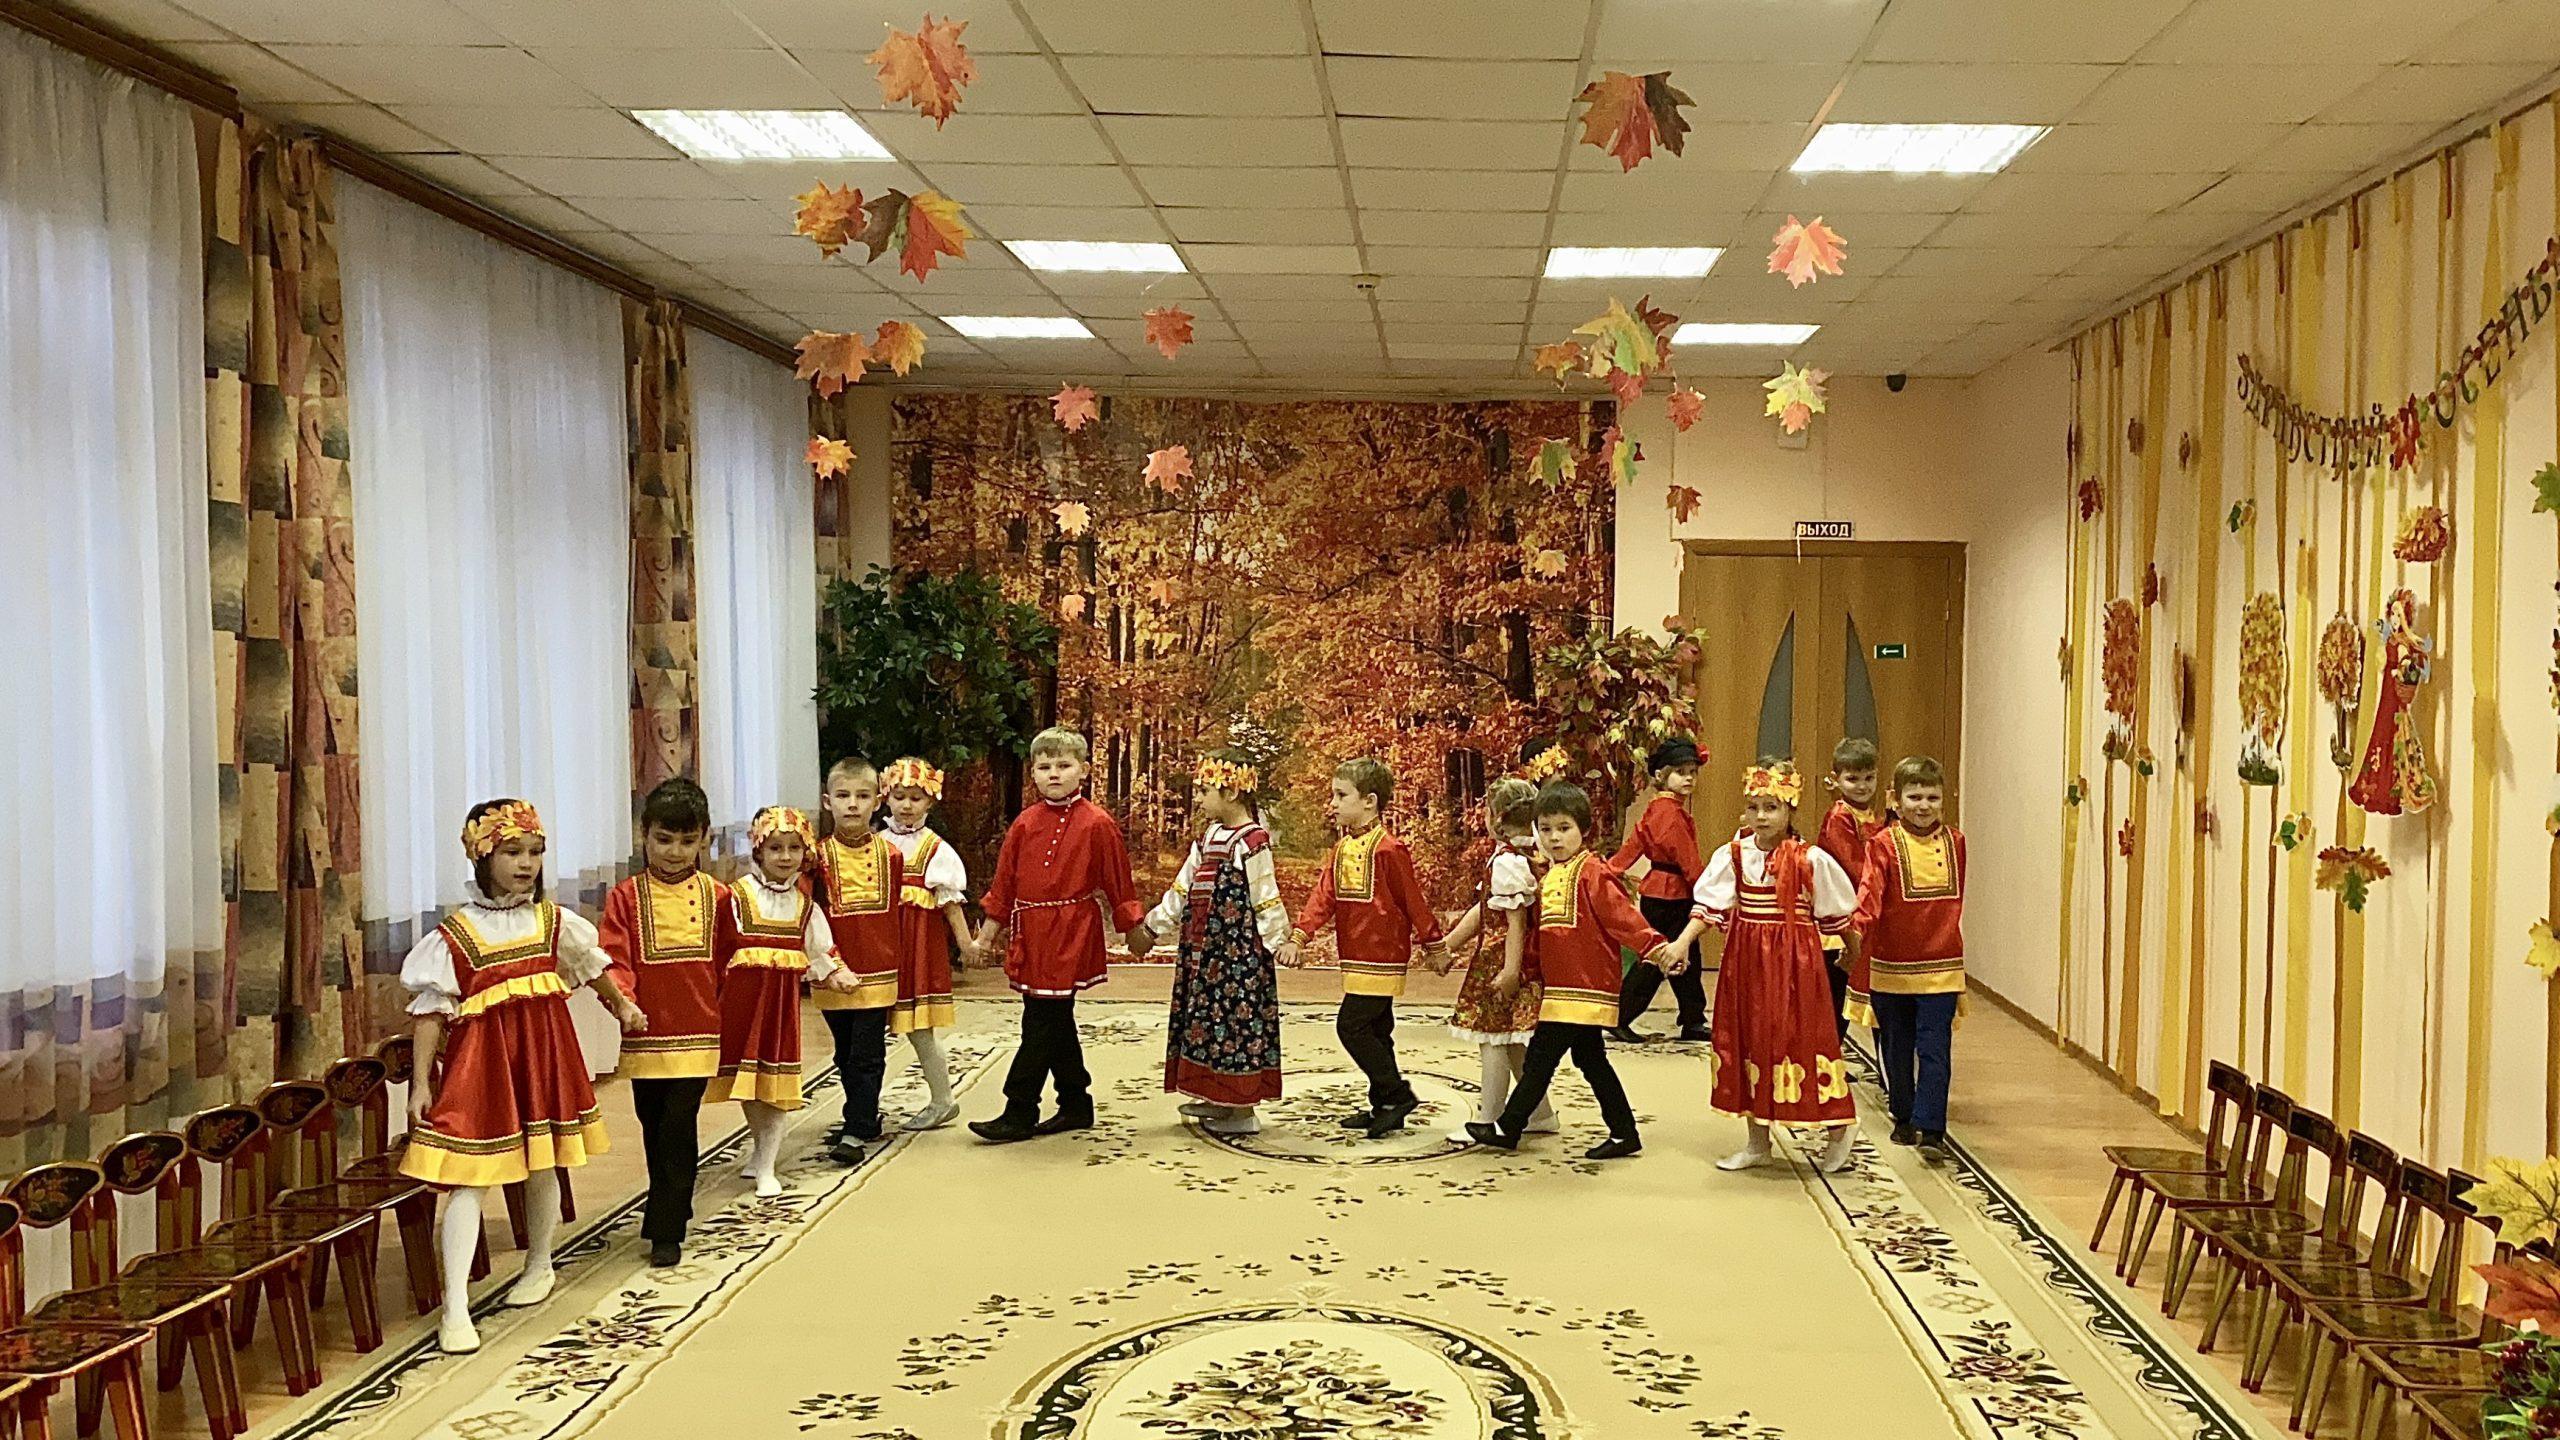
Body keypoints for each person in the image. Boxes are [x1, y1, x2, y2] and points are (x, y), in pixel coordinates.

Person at [401, 799, 646, 1354]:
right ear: (483, 855)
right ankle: (456, 1306)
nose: (526, 863)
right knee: (468, 1178)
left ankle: (540, 1261)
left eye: (534, 852)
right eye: (512, 851)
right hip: (480, 1066)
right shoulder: (455, 935)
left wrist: (623, 1009)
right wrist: (421, 1084)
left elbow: (593, 968)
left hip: (542, 1053)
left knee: (544, 1159)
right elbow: (431, 1011)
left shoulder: (553, 921)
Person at [1661, 759, 1861, 1174]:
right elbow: (1710, 906)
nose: (1762, 816)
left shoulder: (1812, 859)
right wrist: (1681, 943)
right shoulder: (1733, 855)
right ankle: (1757, 1141)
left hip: (1795, 963)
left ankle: (1839, 1128)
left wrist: (1854, 953)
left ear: (1789, 811)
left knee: (1801, 1041)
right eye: (1754, 807)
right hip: (1746, 960)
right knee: (1749, 1039)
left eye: (1772, 807)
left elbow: (1839, 914)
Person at [1463, 782, 1673, 1160]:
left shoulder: (1593, 873)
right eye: (1546, 829)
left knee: (1542, 1057)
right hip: (1559, 990)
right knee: (1589, 1060)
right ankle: (1624, 1131)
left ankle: (1508, 1126)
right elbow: (1538, 936)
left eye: (1564, 828)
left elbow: (1623, 919)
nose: (1554, 837)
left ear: (1584, 830)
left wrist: (1656, 948)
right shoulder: (1549, 876)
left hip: (1584, 989)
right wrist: (1524, 970)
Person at [969, 727, 1150, 1143]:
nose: (1054, 774)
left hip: (1071, 932)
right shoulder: (1024, 823)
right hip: (1031, 932)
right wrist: (986, 937)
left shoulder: (1097, 823)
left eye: (1064, 766)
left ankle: (1019, 1109)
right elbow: (1004, 885)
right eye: (1045, 767)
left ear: (1083, 771)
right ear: (1033, 773)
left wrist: (1133, 927)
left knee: (1040, 1021)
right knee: (1054, 1020)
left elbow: (1117, 881)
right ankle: (1074, 1102)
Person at [1280, 758, 1446, 1139]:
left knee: (1351, 1027)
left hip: (1383, 956)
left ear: (1369, 801)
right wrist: (1299, 937)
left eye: (1341, 795)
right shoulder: (1341, 850)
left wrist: (1434, 944)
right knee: (1377, 1030)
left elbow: (1412, 900)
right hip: (1353, 954)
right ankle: (1384, 1105)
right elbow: (1323, 898)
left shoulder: (1389, 849)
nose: (1332, 804)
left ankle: (1397, 1094)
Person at [595, 778, 722, 1268]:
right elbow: (614, 957)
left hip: (698, 1030)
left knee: (678, 1123)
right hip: (646, 1035)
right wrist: (623, 1002)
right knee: (653, 1125)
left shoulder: (718, 896)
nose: (675, 852)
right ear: (643, 835)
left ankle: (666, 1226)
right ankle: (672, 1199)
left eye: (687, 841)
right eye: (664, 840)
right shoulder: (625, 898)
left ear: (704, 838)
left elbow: (730, 960)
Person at [1137, 753, 1287, 1136]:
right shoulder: (1206, 839)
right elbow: (1182, 887)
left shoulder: (1252, 841)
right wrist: (1153, 927)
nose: (1199, 800)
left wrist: (1279, 941)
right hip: (1203, 954)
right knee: (1204, 1020)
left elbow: (1264, 894)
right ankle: (1214, 1096)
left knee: (1235, 1022)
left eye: (1205, 791)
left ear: (1232, 791)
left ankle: (1241, 1108)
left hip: (1237, 958)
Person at [711, 805, 850, 1199]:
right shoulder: (736, 896)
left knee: (774, 1086)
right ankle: (759, 1150)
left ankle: (768, 1164)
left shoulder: (805, 907)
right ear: (758, 851)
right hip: (739, 1005)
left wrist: (835, 972)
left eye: (793, 848)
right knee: (748, 1084)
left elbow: (821, 948)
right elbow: (716, 946)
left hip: (779, 1011)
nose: (785, 857)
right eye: (775, 848)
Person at [1853, 756, 1969, 1158]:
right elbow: (1870, 893)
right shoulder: (1882, 844)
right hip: (1890, 965)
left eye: (1932, 797)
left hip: (1942, 966)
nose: (1923, 805)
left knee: (1935, 1048)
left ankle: (1932, 1128)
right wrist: (1854, 930)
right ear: (1896, 800)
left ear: (1945, 799)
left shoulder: (1956, 843)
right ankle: (1903, 1114)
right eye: (1914, 796)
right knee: (1896, 1046)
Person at [1433, 777, 1554, 1141]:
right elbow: (1486, 909)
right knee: (1512, 1039)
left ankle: (1488, 1118)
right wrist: (1450, 944)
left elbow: (1515, 922)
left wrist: (1510, 971)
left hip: (1502, 962)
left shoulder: (1508, 864)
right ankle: (1540, 1112)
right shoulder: (1522, 857)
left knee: (1492, 1039)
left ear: (1496, 819)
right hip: (1504, 958)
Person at [811, 757, 909, 1163]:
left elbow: (897, 917)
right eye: (844, 795)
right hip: (834, 972)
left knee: (867, 1052)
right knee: (843, 1050)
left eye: (863, 796)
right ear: (827, 801)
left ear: (878, 801)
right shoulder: (815, 859)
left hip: (878, 970)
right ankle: (860, 1111)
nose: (853, 804)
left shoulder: (891, 857)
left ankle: (859, 1124)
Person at [880, 756, 972, 1132]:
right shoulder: (877, 844)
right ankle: (864, 1105)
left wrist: (967, 944)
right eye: (900, 796)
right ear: (886, 797)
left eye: (916, 798)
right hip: (882, 947)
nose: (906, 805)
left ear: (930, 801)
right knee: (870, 1028)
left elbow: (950, 904)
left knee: (919, 1028)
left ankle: (942, 1098)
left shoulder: (937, 850)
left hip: (917, 948)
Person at [1608, 737, 1708, 1042]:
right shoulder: (1671, 814)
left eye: (1692, 771)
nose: (1689, 777)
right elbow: (1687, 860)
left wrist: (1611, 869)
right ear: (1661, 775)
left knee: (1686, 956)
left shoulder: (1657, 808)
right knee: (1658, 959)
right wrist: (1706, 892)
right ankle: (1621, 1015)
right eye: (1680, 771)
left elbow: (1634, 844)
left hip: (1662, 891)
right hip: (1671, 894)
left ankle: (1692, 1018)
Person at [1814, 737, 1887, 1036]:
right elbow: (1857, 866)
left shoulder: (1873, 815)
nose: (1862, 786)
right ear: (1836, 779)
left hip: (1860, 912)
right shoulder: (1839, 818)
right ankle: (1824, 1060)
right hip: (1838, 918)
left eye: (1869, 778)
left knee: (1849, 994)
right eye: (1852, 779)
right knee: (1834, 998)